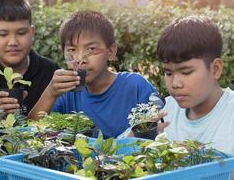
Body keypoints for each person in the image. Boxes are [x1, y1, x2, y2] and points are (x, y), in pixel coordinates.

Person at [28, 11, 157, 138]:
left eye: (91, 49)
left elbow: (160, 131)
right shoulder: (66, 92)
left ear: (111, 51)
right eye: (72, 50)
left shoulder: (135, 86)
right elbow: (29, 133)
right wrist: (50, 93)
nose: (80, 59)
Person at [157, 15, 234, 179]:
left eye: (186, 72)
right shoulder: (167, 109)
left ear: (215, 69)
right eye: (168, 73)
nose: (175, 83)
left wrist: (206, 175)